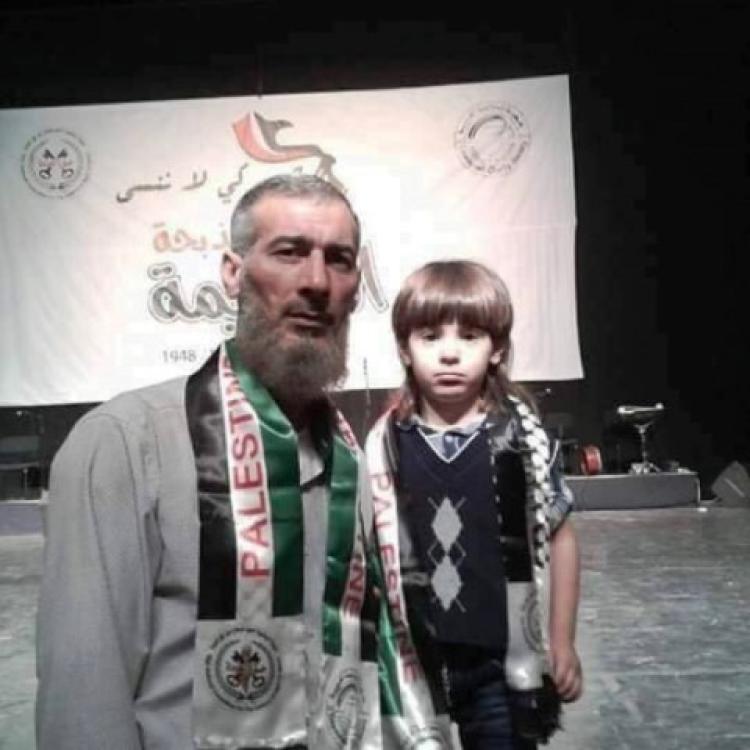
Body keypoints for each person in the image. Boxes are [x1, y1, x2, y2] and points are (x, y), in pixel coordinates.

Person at [36, 174, 385, 749]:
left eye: (339, 260)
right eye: (289, 252)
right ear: (232, 273)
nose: (317, 282)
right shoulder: (124, 444)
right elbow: (83, 702)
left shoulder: (350, 461)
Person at [365, 260, 583, 750]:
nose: (449, 353)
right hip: (417, 661)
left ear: (496, 349)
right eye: (430, 336)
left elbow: (560, 536)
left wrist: (562, 639)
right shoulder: (386, 444)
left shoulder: (520, 439)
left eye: (469, 336)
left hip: (500, 664)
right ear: (404, 348)